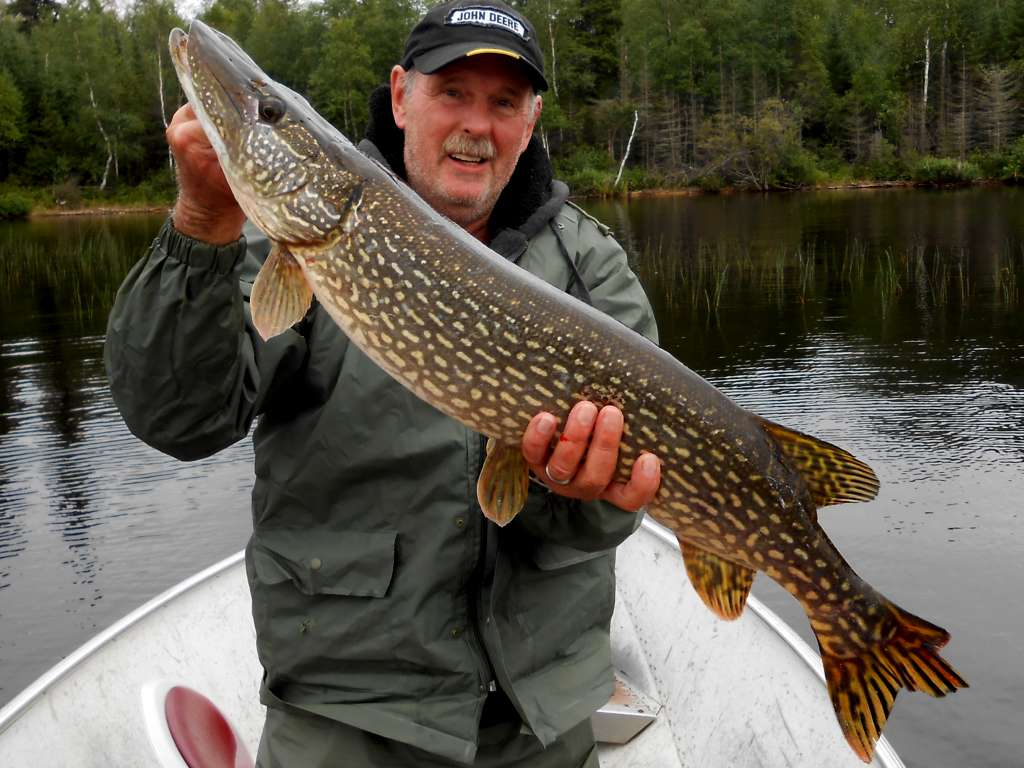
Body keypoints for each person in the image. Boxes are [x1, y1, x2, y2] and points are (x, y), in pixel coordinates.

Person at [105, 1, 660, 765]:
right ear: (401, 96)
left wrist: (573, 490)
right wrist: (203, 221)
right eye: (452, 92)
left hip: (540, 718)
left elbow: (609, 515)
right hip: (347, 713)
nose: (476, 125)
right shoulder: (285, 243)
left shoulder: (589, 268)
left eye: (504, 102)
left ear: (531, 120)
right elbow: (179, 420)